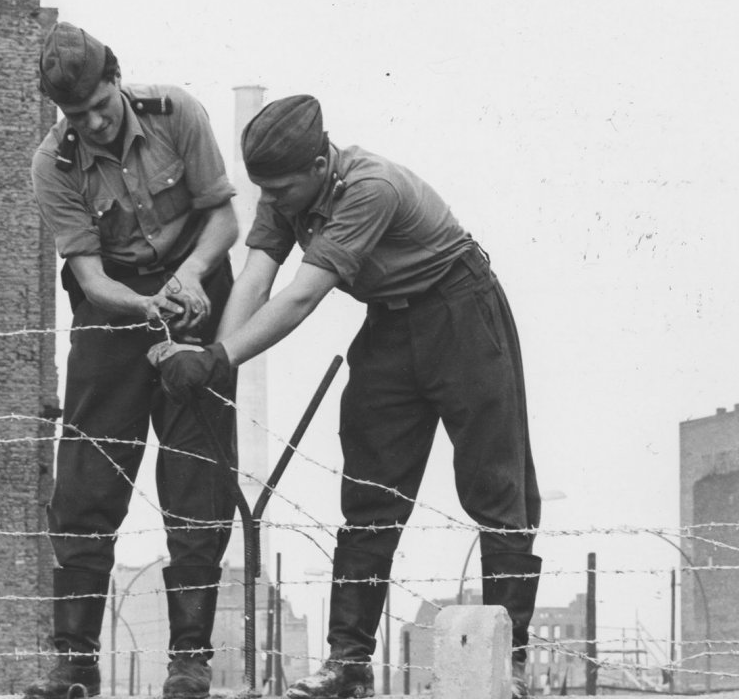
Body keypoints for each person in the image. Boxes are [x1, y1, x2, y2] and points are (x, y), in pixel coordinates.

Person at [150, 95, 542, 699]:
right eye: (265, 191)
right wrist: (216, 366)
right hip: (390, 322)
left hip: (460, 311)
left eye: (282, 190)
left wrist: (217, 359)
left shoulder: (369, 188)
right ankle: (348, 665)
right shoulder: (285, 189)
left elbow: (303, 296)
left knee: (496, 486)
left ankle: (506, 666)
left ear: (318, 164)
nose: (273, 201)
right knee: (369, 492)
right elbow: (257, 276)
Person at [26, 20, 240, 699]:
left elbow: (224, 219)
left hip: (197, 288)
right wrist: (147, 307)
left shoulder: (178, 112)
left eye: (99, 105)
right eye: (76, 115)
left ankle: (190, 663)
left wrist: (191, 277)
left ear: (117, 80)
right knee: (86, 479)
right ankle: (75, 665)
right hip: (114, 305)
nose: (92, 123)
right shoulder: (52, 165)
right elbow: (90, 279)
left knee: (197, 478)